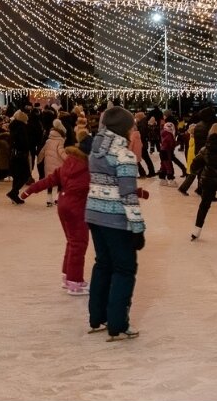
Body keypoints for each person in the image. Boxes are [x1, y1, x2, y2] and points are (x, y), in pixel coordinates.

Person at [85, 106, 145, 341]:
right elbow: (128, 194)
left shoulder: (96, 150)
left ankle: (97, 317)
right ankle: (117, 323)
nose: (133, 131)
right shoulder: (123, 154)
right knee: (124, 269)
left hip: (94, 215)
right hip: (116, 218)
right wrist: (138, 229)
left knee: (103, 265)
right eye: (132, 127)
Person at [21, 130, 90, 295]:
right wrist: (135, 192)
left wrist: (29, 191)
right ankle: (75, 282)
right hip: (76, 208)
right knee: (78, 244)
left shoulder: (69, 163)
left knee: (71, 241)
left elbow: (49, 180)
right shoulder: (89, 169)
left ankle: (67, 276)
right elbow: (108, 186)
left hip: (63, 205)